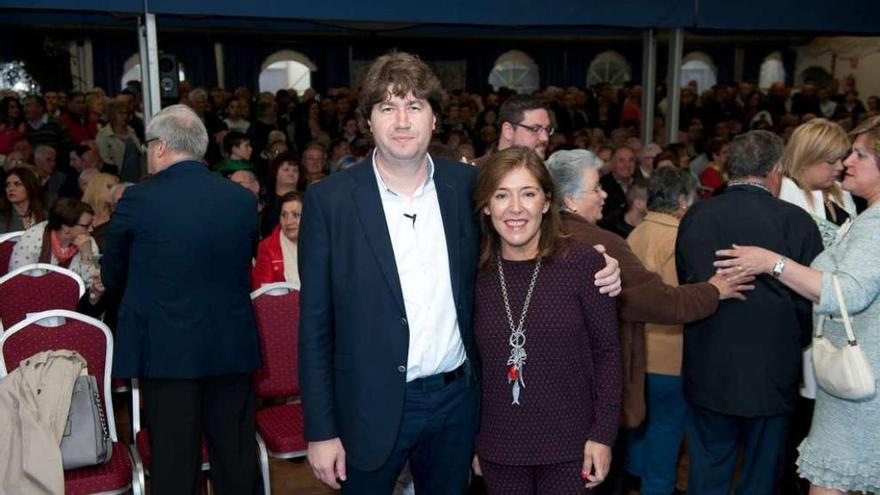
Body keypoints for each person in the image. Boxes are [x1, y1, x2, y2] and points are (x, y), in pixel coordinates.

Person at [298, 51, 623, 495]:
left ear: (434, 119)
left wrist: (601, 262)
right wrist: (320, 430)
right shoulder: (329, 202)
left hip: (457, 405)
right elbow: (315, 326)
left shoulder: (465, 187)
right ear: (367, 121)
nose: (402, 121)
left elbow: (527, 223)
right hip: (367, 407)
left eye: (415, 106)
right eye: (387, 107)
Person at [546, 150, 752, 495]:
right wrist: (714, 290)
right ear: (569, 199)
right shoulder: (601, 243)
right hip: (593, 389)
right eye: (596, 188)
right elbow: (659, 301)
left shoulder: (542, 237)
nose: (605, 194)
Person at [712, 115, 880, 495]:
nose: (847, 163)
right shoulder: (865, 216)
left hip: (862, 383)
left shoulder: (874, 222)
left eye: (860, 155)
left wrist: (772, 262)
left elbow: (847, 292)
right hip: (853, 378)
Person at [100, 104, 262, 495]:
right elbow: (243, 264)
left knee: (175, 457)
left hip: (167, 348)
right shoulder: (240, 199)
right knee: (236, 453)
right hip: (230, 345)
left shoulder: (139, 199)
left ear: (159, 148)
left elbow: (112, 274)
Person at [675, 130, 824, 495]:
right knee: (761, 478)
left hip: (709, 367)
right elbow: (812, 301)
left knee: (707, 473)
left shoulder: (697, 216)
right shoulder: (798, 222)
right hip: (773, 373)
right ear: (776, 169)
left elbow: (691, 290)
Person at [471, 147, 620, 494]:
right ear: (486, 206)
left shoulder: (584, 265)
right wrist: (473, 441)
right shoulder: (473, 275)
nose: (516, 208)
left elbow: (608, 353)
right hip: (498, 448)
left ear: (547, 202)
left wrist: (603, 434)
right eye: (502, 195)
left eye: (528, 193)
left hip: (572, 447)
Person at [779, 119, 856, 248]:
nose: (840, 166)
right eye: (831, 161)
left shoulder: (841, 189)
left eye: (841, 158)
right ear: (807, 158)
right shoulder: (782, 191)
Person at [8, 197, 98, 286]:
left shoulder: (88, 242)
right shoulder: (33, 238)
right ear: (65, 228)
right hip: (32, 295)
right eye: (86, 226)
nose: (91, 229)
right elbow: (17, 280)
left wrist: (86, 255)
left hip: (72, 298)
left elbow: (93, 289)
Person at [473, 95, 552, 165]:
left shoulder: (549, 175)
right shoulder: (474, 174)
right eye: (535, 129)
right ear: (508, 131)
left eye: (547, 129)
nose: (545, 138)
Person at [251, 191, 302, 289]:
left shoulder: (321, 244)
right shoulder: (267, 247)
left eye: (295, 215)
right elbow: (263, 294)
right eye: (284, 215)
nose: (288, 221)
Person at [96, 99, 144, 183]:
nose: (124, 116)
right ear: (112, 114)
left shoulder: (131, 131)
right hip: (117, 178)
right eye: (120, 113)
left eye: (126, 113)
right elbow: (104, 159)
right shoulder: (104, 135)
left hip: (137, 176)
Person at [261, 151, 300, 238]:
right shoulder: (266, 201)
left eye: (295, 170)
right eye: (286, 170)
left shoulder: (307, 200)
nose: (291, 173)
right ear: (275, 173)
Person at [81, 172, 119, 251]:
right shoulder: (79, 213)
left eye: (116, 187)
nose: (114, 191)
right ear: (96, 188)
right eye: (109, 186)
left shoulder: (117, 218)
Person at [1, 166, 46, 234]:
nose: (11, 188)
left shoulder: (45, 215)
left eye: (17, 184)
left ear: (29, 187)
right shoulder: (2, 218)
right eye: (8, 185)